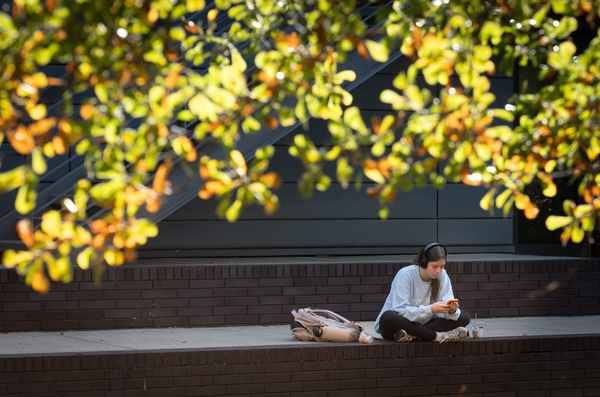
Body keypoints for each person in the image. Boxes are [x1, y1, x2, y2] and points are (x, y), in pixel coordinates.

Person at [374, 242, 471, 343]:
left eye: (441, 266)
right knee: (388, 316)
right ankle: (437, 336)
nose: (438, 271)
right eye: (434, 266)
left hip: (422, 326)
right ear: (424, 262)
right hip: (398, 327)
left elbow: (445, 309)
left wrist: (451, 311)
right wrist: (431, 309)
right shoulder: (405, 275)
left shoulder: (442, 276)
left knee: (464, 317)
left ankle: (412, 335)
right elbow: (400, 311)